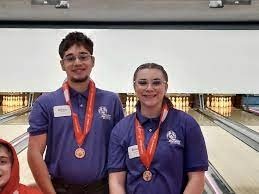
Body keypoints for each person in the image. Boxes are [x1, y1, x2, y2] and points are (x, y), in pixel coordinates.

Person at [27, 31, 124, 194]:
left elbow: (120, 150)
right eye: (70, 58)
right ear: (62, 64)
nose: (77, 62)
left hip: (102, 189)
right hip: (60, 189)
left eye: (83, 56)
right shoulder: (45, 103)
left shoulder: (111, 101)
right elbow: (34, 152)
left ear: (92, 61)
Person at [108, 63, 208, 194]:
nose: (149, 88)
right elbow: (116, 181)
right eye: (142, 83)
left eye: (156, 83)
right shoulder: (120, 129)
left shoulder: (187, 124)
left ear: (165, 87)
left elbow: (197, 177)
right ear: (135, 87)